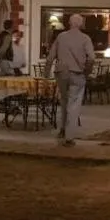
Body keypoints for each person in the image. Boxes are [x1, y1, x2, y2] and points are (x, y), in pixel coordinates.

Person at [44, 13, 96, 146]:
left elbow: (50, 57)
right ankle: (69, 136)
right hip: (77, 74)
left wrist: (46, 75)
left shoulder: (61, 37)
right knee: (74, 104)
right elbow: (91, 58)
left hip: (61, 73)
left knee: (64, 101)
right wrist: (87, 71)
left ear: (69, 23)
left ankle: (62, 128)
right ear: (81, 24)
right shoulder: (85, 38)